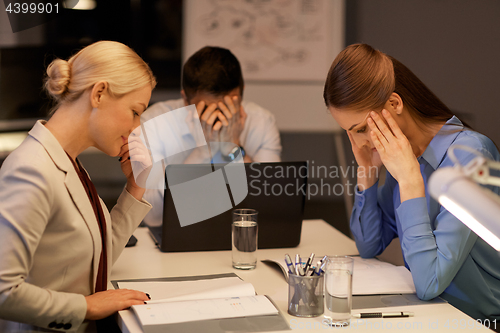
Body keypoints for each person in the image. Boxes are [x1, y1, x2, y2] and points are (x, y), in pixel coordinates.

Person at [324, 43, 500, 321]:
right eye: (350, 132)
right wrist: (367, 171)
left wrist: (409, 180)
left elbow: (429, 282)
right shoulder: (405, 155)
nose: (359, 142)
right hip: (432, 315)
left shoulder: (470, 156)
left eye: (361, 129)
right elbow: (370, 244)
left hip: (478, 322)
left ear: (394, 104)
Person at [0, 41, 156, 332]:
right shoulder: (31, 169)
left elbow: (96, 258)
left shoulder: (67, 161)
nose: (137, 127)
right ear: (98, 94)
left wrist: (135, 188)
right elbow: (3, 290)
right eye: (135, 111)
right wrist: (87, 306)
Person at [142, 46, 282, 226]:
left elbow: (272, 206)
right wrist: (202, 152)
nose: (220, 119)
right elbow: (152, 216)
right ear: (186, 100)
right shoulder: (156, 123)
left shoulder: (261, 122)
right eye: (208, 110)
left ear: (242, 93)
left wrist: (233, 148)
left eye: (229, 107)